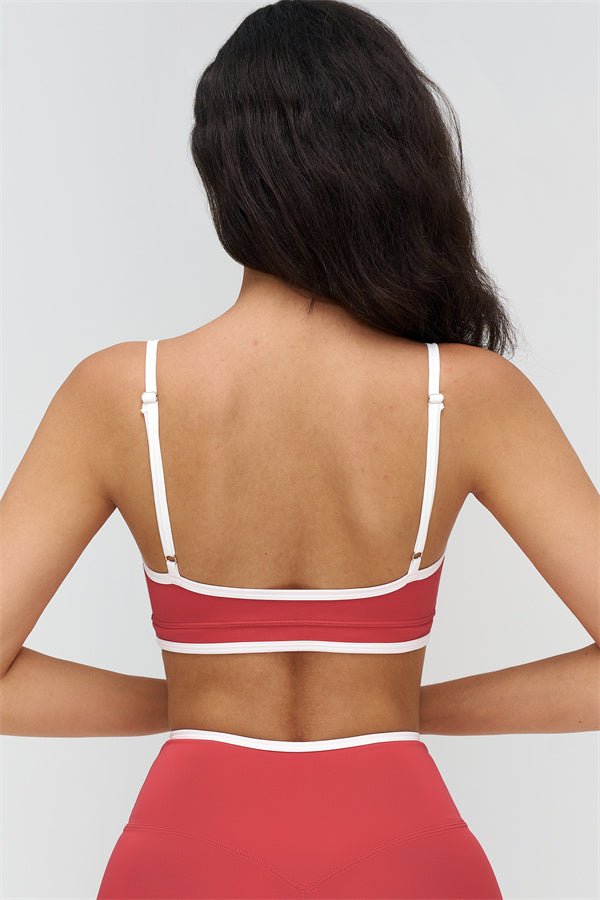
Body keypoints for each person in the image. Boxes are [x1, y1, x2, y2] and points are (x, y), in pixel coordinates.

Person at [1, 1, 598, 898]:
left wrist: (196, 705)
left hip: (186, 847)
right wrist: (404, 709)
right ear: (400, 159)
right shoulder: (467, 395)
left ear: (223, 171)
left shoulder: (120, 394)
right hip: (403, 845)